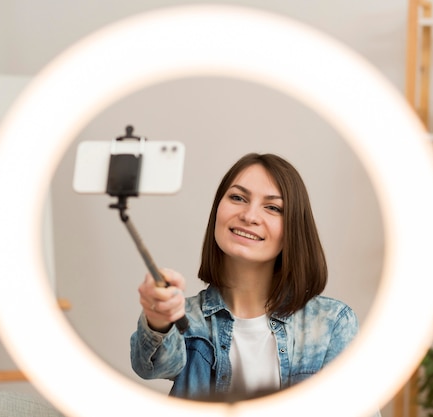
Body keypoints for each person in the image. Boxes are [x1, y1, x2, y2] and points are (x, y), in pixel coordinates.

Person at [130, 152, 360, 402]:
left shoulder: (332, 324)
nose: (249, 216)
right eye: (238, 198)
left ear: (293, 227)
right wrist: (158, 318)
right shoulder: (187, 319)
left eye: (273, 207)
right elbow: (151, 365)